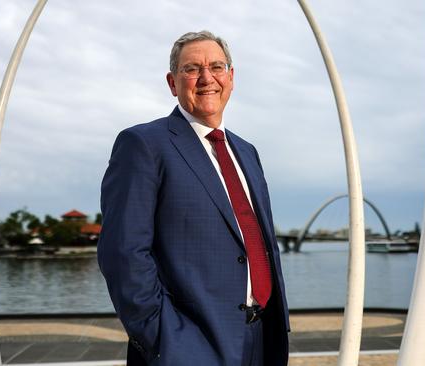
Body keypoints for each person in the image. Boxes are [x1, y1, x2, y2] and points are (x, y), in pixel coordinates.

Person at [98, 30, 289, 366]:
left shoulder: (247, 152)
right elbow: (123, 253)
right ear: (173, 83)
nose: (206, 78)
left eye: (216, 67)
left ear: (231, 77)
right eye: (191, 69)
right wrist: (161, 338)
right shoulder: (144, 144)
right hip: (188, 348)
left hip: (260, 341)